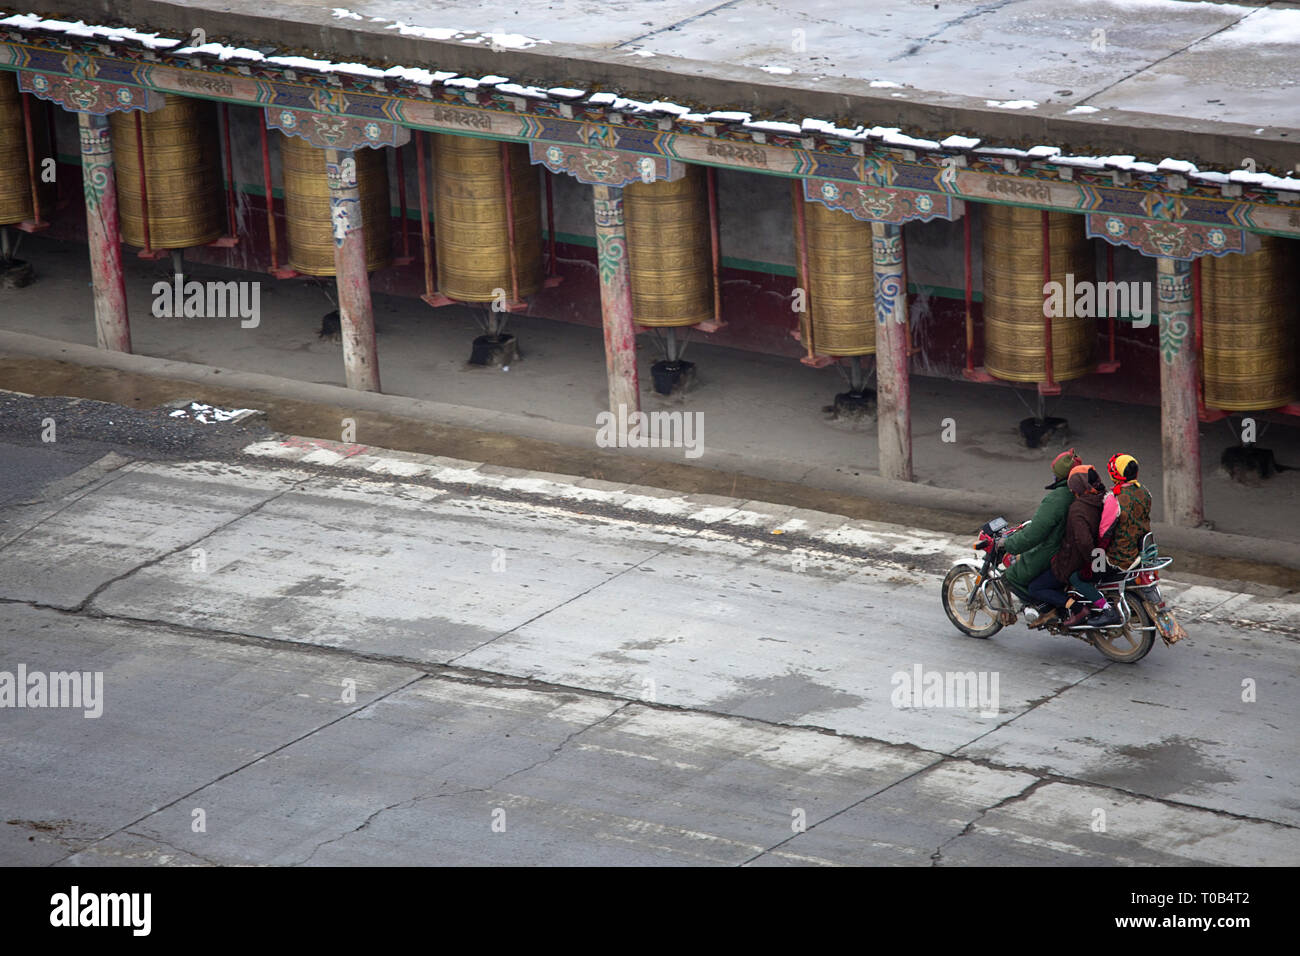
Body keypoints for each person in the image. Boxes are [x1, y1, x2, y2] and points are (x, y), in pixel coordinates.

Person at [1026, 464, 1118, 627]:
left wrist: (1092, 564)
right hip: (1099, 555)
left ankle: (1078, 609)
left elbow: (1083, 542)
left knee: (1035, 587)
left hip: (1074, 562)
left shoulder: (1078, 509)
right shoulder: (1104, 498)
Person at [1002, 448, 1080, 617]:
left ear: (1058, 475)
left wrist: (1009, 544)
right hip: (1072, 548)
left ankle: (1044, 608)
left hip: (1055, 551)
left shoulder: (1058, 498)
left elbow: (1034, 534)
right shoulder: (1080, 491)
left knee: (1012, 576)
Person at [1104, 452, 1152, 571]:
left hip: (1120, 558)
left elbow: (1103, 532)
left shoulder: (1114, 498)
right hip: (1142, 550)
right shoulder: (1145, 492)